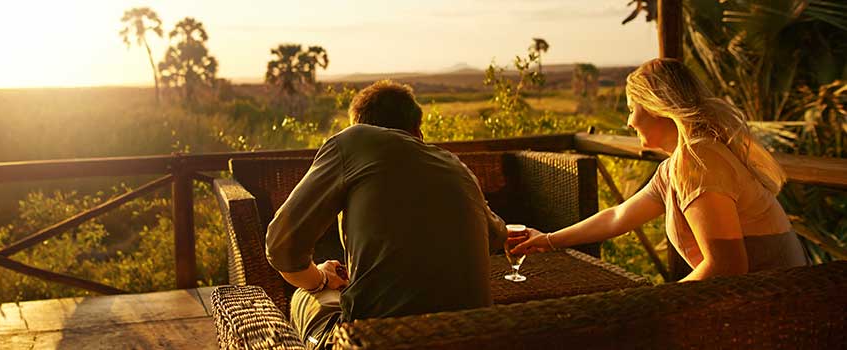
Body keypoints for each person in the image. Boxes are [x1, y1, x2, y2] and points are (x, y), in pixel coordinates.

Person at [510, 58, 808, 282]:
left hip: (779, 306)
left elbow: (727, 266)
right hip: (754, 301)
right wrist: (547, 240)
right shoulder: (680, 164)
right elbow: (618, 216)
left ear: (656, 107)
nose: (628, 122)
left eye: (631, 108)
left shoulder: (700, 159)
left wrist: (659, 305)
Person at [265, 80, 508, 349]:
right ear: (418, 131)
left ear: (359, 124)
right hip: (468, 338)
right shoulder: (456, 164)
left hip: (374, 340)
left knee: (304, 296)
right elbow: (496, 237)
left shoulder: (354, 140)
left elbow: (281, 247)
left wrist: (321, 278)